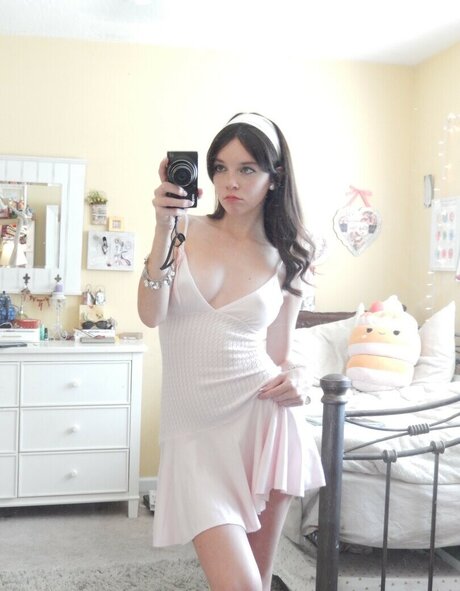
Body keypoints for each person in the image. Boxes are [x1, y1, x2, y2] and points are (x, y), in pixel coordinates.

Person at [138, 112, 325, 591]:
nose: (230, 182)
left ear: (274, 177)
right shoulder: (182, 229)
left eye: (247, 169)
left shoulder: (289, 255)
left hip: (263, 423)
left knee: (254, 583)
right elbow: (151, 314)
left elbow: (280, 350)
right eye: (220, 168)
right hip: (193, 435)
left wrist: (301, 377)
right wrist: (163, 226)